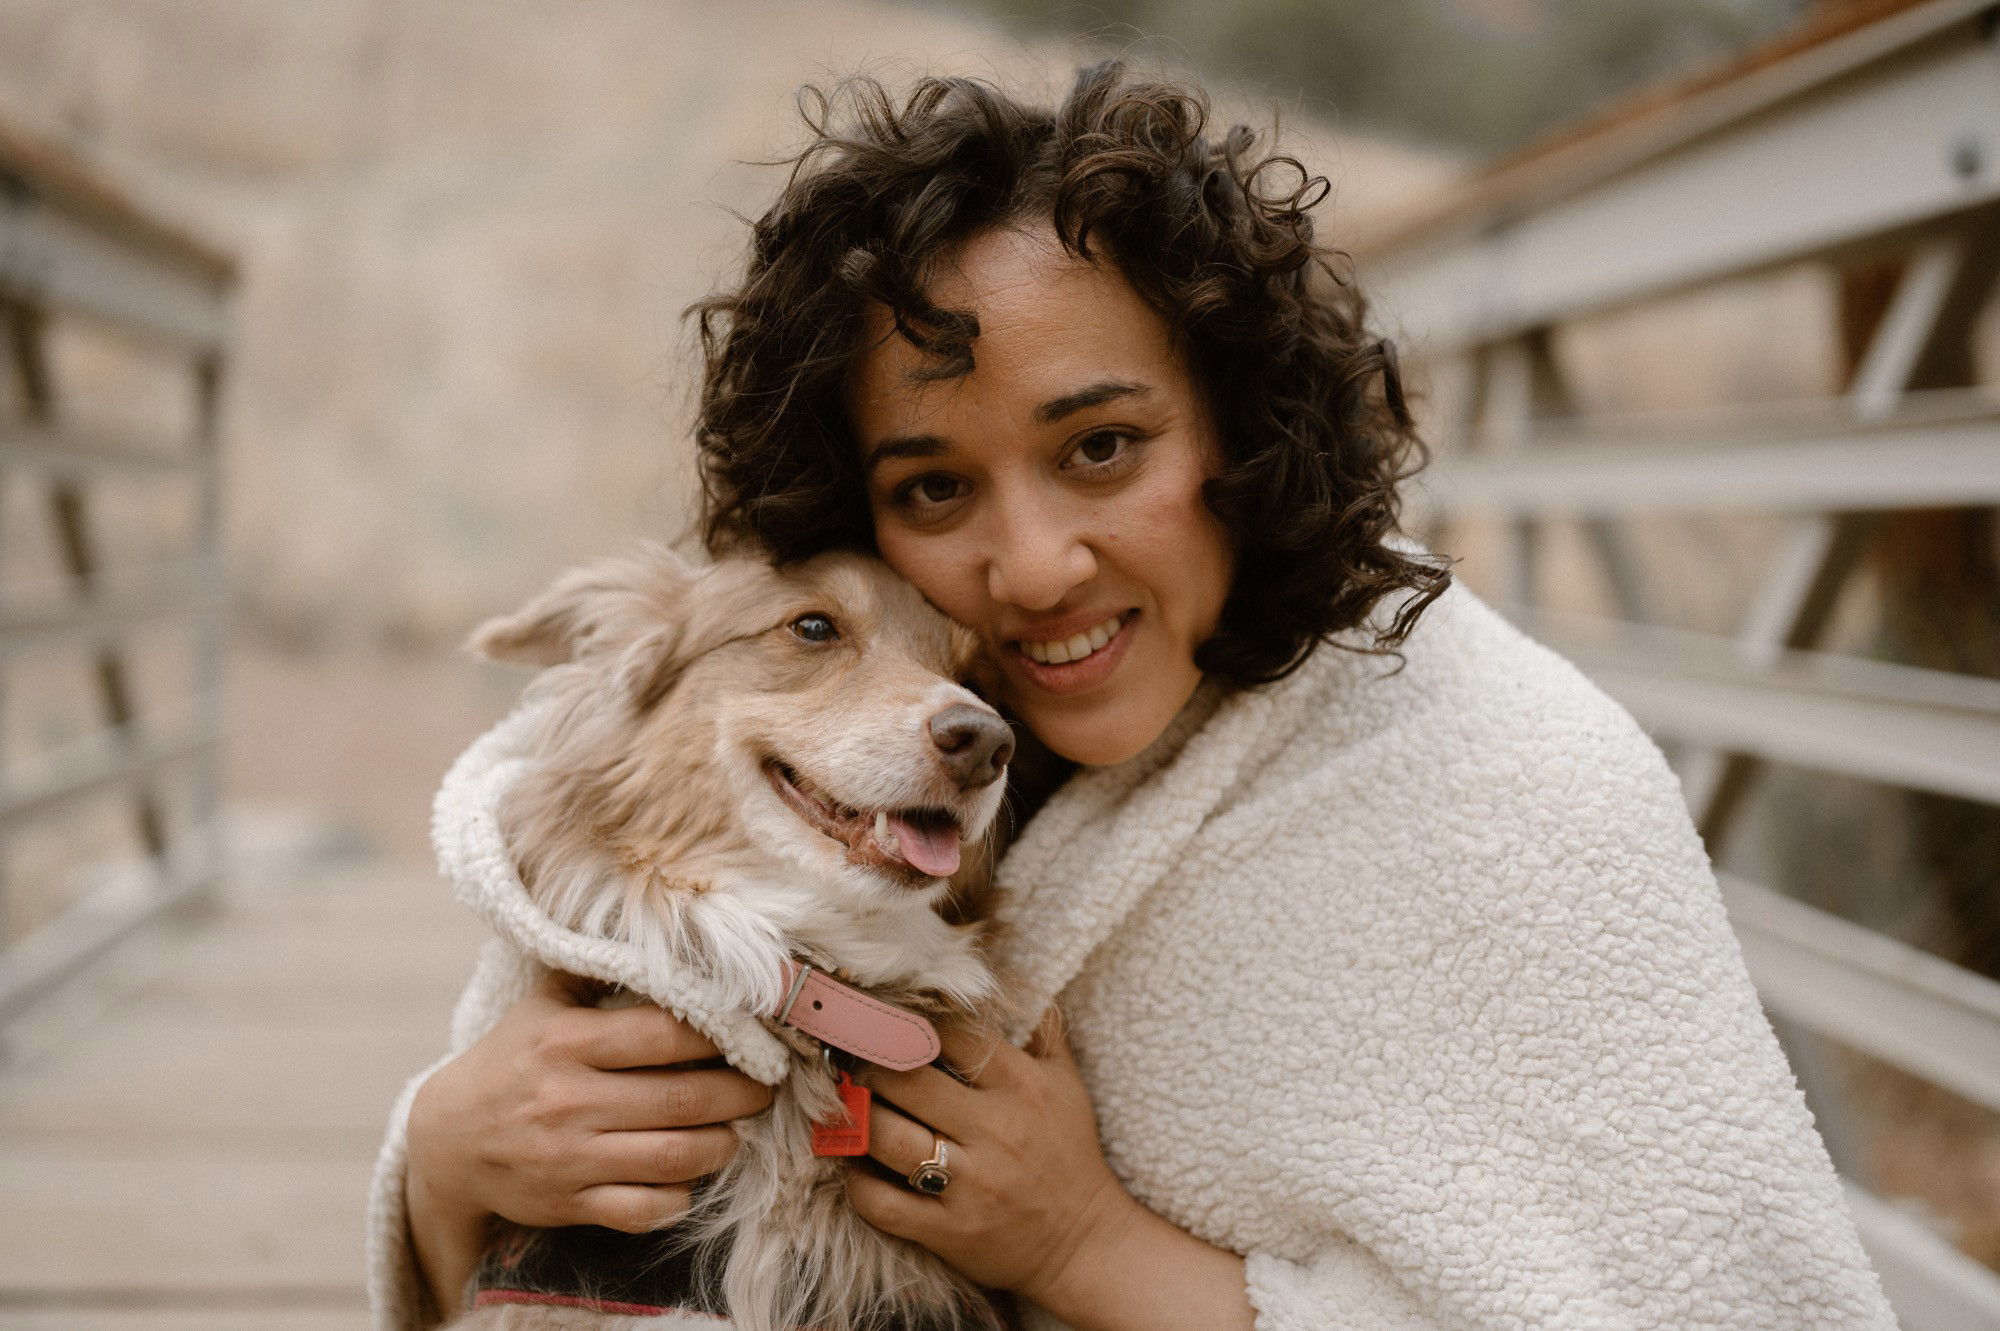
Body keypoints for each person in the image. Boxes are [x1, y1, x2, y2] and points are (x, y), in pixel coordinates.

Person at [369, 63, 1896, 1330]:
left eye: (1101, 448)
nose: (1032, 569)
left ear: (1238, 427)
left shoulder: (1515, 790)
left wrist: (1083, 1246)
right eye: (934, 486)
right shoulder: (881, 750)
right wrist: (442, 1162)